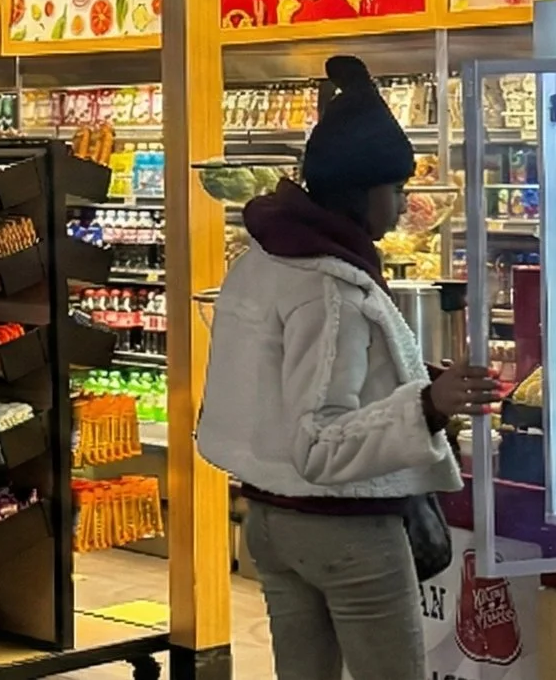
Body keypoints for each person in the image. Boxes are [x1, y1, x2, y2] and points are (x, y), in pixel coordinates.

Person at [196, 56, 502, 680]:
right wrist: (426, 406)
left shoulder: (262, 260)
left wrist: (409, 385)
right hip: (343, 533)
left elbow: (282, 397)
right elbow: (321, 446)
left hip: (269, 523)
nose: (401, 204)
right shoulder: (330, 287)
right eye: (395, 191)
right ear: (364, 195)